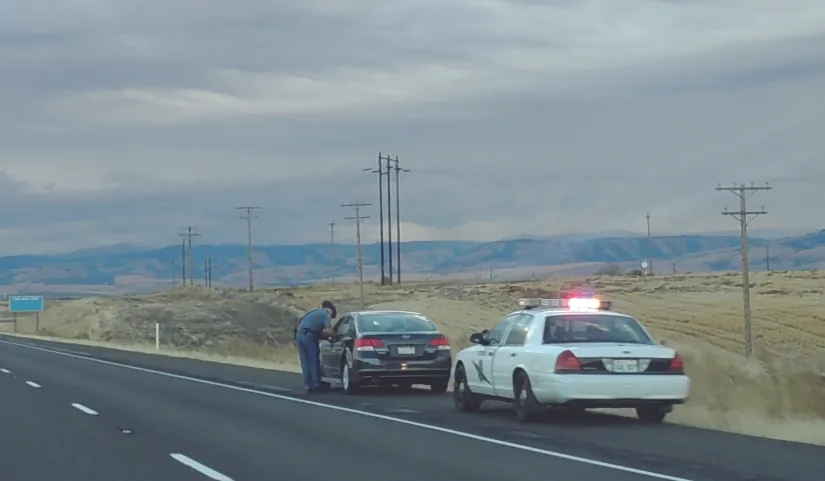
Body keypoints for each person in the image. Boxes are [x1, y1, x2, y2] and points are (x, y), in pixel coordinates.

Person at [295, 300, 337, 392]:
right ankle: (316, 383)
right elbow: (328, 330)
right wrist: (335, 335)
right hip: (309, 337)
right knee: (313, 360)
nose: (330, 318)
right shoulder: (325, 314)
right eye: (332, 316)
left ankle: (308, 384)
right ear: (330, 311)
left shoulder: (313, 312)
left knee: (305, 361)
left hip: (299, 335)